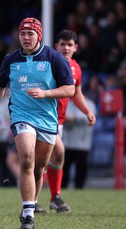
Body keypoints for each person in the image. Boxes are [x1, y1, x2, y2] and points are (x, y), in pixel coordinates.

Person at [0, 17, 75, 229]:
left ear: (39, 35)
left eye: (30, 34)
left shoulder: (54, 58)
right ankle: (27, 213)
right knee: (26, 158)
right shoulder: (11, 59)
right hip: (21, 116)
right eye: (22, 34)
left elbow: (69, 89)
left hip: (46, 119)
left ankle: (30, 207)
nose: (26, 38)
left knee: (39, 168)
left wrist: (46, 93)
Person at [43, 29, 96, 212]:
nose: (66, 48)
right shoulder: (47, 64)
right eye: (62, 44)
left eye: (69, 45)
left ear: (76, 48)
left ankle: (49, 198)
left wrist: (87, 111)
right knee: (56, 153)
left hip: (59, 121)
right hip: (43, 118)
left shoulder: (76, 68)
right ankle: (46, 199)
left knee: (49, 158)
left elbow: (77, 94)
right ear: (56, 45)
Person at [62, 98, 96, 188]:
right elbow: (60, 116)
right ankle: (60, 190)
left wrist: (73, 118)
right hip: (67, 143)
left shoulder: (89, 104)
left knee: (81, 171)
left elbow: (89, 118)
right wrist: (67, 119)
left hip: (82, 144)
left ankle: (80, 189)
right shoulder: (67, 103)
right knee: (64, 170)